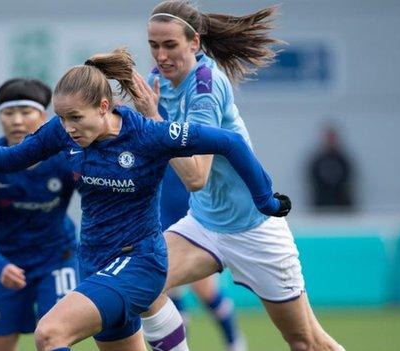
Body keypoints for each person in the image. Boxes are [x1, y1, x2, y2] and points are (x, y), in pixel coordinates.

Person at [0, 48, 291, 351]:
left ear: (104, 107)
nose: (69, 127)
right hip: (93, 262)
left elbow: (230, 143)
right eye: (62, 118)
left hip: (138, 262)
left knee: (49, 332)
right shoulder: (63, 133)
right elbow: (14, 158)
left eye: (76, 117)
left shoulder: (149, 135)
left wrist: (266, 201)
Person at [130, 1, 345, 350]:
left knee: (305, 341)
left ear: (194, 43)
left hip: (254, 230)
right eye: (154, 45)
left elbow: (196, 176)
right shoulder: (158, 81)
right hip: (203, 224)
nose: (161, 55)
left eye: (170, 45)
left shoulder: (206, 86)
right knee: (138, 282)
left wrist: (153, 121)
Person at [0, 78, 79, 351]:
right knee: (0, 345)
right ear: (0, 117)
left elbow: (97, 200)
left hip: (57, 259)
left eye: (25, 112)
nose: (16, 121)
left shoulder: (66, 158)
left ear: (43, 117)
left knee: (55, 335)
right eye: (8, 113)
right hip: (8, 263)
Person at [160, 165, 246, 351]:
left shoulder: (194, 142)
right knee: (169, 292)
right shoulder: (151, 140)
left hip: (196, 219)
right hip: (163, 219)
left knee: (206, 291)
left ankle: (234, 343)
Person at [308, 123, 355, 211]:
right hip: (321, 206)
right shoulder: (317, 161)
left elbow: (348, 183)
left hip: (342, 206)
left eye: (332, 138)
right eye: (328, 138)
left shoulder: (343, 160)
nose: (330, 141)